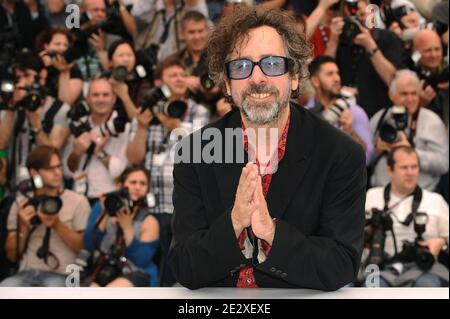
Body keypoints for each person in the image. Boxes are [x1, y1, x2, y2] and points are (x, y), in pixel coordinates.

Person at [168, 7, 367, 290]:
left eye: (272, 64)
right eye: (241, 66)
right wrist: (235, 223)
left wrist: (272, 234)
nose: (257, 78)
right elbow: (184, 265)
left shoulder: (340, 154)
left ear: (295, 76)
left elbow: (341, 265)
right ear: (226, 84)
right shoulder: (194, 152)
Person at [127, 56, 210, 285]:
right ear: (159, 84)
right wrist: (142, 127)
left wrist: (175, 126)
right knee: (151, 267)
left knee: (178, 269)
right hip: (151, 207)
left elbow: (203, 151)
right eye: (172, 75)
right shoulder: (147, 112)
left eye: (182, 74)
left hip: (182, 207)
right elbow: (134, 158)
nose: (179, 79)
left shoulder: (198, 111)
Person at [0, 145, 90, 287]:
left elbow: (84, 248)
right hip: (27, 272)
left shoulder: (78, 201)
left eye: (59, 167)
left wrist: (56, 224)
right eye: (50, 169)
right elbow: (12, 256)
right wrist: (23, 227)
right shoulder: (21, 202)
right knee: (5, 288)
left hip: (64, 274)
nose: (57, 173)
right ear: (34, 172)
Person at [364, 145, 448, 287]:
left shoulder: (435, 200)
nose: (410, 173)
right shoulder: (372, 197)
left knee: (426, 285)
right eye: (404, 168)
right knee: (371, 286)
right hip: (380, 267)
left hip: (423, 269)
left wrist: (441, 243)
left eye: (414, 167)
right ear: (390, 170)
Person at [0, 50, 71, 189]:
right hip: (15, 187)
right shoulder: (12, 108)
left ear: (42, 75)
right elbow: (2, 143)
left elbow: (51, 154)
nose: (22, 83)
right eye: (18, 78)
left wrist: (36, 123)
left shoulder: (60, 110)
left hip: (48, 189)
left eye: (27, 76)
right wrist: (10, 106)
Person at [369, 69, 448, 191]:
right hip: (380, 194)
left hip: (422, 197)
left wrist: (412, 152)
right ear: (392, 95)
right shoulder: (380, 118)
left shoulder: (432, 121)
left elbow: (443, 164)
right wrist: (376, 151)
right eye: (404, 94)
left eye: (414, 93)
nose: (410, 99)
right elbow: (363, 159)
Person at [83, 166, 160, 287]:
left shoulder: (149, 221)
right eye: (133, 182)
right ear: (120, 186)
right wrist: (105, 213)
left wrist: (127, 227)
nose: (138, 187)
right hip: (103, 269)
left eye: (143, 184)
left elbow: (141, 260)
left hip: (136, 273)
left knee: (115, 289)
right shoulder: (101, 207)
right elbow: (89, 245)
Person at [63, 77, 129, 204]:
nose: (100, 99)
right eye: (95, 95)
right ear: (87, 99)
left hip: (110, 196)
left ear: (113, 98)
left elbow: (119, 170)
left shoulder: (124, 128)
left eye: (105, 95)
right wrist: (76, 153)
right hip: (79, 197)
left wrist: (99, 152)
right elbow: (67, 171)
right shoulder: (77, 125)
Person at [306, 55, 373, 162]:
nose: (337, 79)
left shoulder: (355, 112)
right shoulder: (304, 115)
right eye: (330, 74)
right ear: (315, 81)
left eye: (337, 73)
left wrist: (350, 132)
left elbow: (367, 158)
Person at [36, 27, 84, 105]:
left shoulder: (74, 70)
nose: (62, 48)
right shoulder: (38, 65)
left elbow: (65, 104)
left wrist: (64, 71)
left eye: (66, 45)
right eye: (57, 44)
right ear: (46, 46)